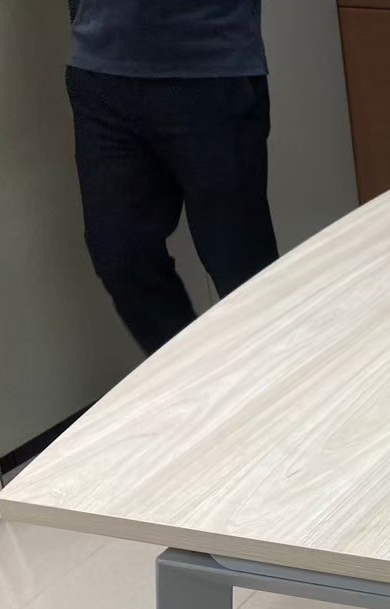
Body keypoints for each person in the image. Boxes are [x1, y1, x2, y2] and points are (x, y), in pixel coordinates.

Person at [65, 0, 278, 355]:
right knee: (120, 257)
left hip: (209, 65)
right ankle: (198, 375)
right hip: (100, 69)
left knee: (240, 267)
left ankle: (281, 374)